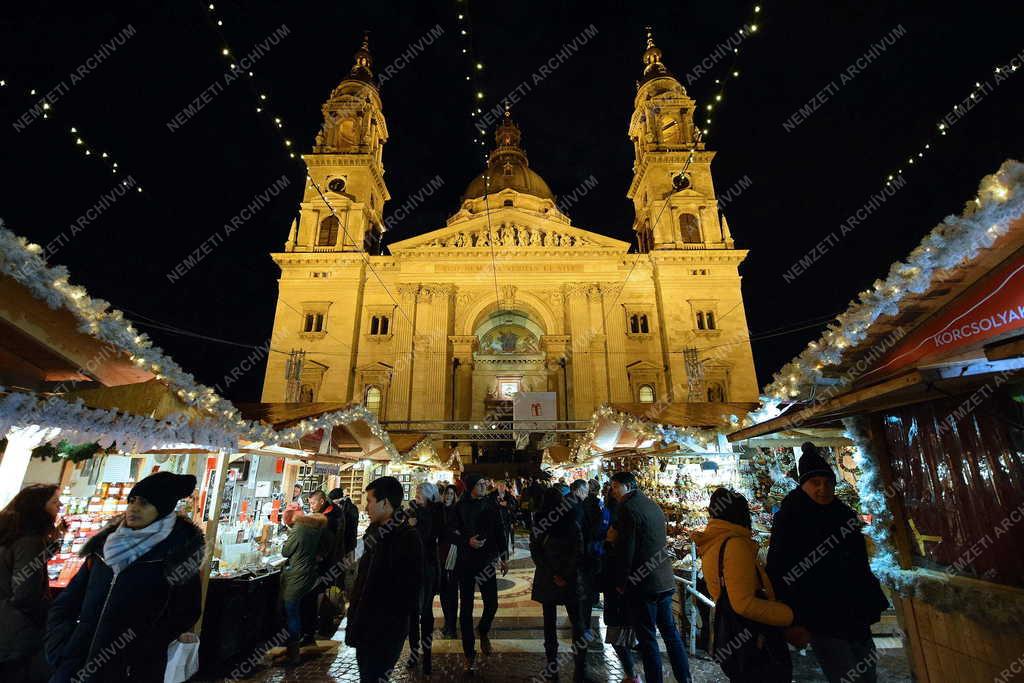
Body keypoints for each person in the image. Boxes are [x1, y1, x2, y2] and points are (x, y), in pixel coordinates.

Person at [45, 472, 203, 682]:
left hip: (131, 670)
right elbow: (67, 601)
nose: (134, 508)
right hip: (76, 663)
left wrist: (143, 648)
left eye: (145, 503)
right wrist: (60, 644)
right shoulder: (103, 547)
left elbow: (186, 612)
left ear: (162, 509)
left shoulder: (177, 554)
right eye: (132, 501)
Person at [767, 444, 888, 683]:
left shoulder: (842, 514)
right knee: (844, 674)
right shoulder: (790, 518)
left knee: (867, 673)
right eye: (815, 483)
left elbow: (859, 562)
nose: (823, 489)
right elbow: (779, 569)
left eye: (827, 482)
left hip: (855, 614)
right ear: (803, 485)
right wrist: (794, 620)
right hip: (820, 616)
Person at [693, 488, 794, 682]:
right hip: (753, 636)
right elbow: (743, 603)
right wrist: (788, 615)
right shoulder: (734, 544)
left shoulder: (714, 540)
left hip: (735, 635)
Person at [609, 471, 691, 683]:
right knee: (671, 635)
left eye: (616, 486)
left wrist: (621, 582)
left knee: (647, 639)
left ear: (628, 486)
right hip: (664, 580)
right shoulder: (652, 504)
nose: (613, 490)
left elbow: (627, 550)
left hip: (644, 584)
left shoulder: (627, 509)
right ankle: (685, 678)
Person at [346, 477, 423, 683]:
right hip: (364, 624)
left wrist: (393, 621)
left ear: (386, 503)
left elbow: (412, 587)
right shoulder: (372, 533)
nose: (366, 506)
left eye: (370, 500)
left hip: (386, 629)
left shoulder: (407, 538)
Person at [0, 484, 61, 682]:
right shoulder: (30, 541)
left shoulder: (9, 532)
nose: (59, 505)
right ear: (38, 507)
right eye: (54, 501)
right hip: (16, 633)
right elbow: (26, 594)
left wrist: (53, 545)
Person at [530, 487, 591, 682]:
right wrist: (565, 574)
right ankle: (580, 668)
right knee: (578, 621)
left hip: (547, 579)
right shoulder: (571, 520)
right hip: (570, 579)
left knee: (549, 623)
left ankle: (551, 667)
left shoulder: (539, 522)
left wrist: (552, 574)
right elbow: (579, 550)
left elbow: (536, 553)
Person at [453, 473, 508, 672]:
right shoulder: (459, 506)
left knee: (492, 604)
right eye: (480, 484)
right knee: (466, 609)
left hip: (486, 562)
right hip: (466, 563)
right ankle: (469, 653)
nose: (484, 486)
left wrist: (504, 556)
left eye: (485, 483)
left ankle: (483, 630)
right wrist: (467, 541)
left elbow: (499, 530)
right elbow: (451, 532)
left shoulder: (490, 505)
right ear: (470, 487)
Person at [279, 505, 330, 663]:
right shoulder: (316, 527)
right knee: (298, 610)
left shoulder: (299, 529)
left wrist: (289, 538)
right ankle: (295, 647)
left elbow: (285, 551)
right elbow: (325, 548)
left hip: (297, 575)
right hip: (310, 574)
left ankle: (293, 654)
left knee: (291, 612)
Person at [602, 486, 639, 683]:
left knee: (619, 634)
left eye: (612, 528)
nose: (609, 530)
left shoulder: (619, 551)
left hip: (619, 592)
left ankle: (632, 675)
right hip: (619, 591)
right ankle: (632, 673)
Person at [406, 482, 443, 675]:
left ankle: (426, 656)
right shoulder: (413, 511)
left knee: (425, 612)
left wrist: (414, 525)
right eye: (416, 493)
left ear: (429, 496)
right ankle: (414, 652)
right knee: (413, 612)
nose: (416, 497)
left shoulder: (434, 513)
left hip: (427, 567)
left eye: (420, 494)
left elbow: (426, 536)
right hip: (414, 567)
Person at [307, 490, 345, 641]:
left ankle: (323, 625)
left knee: (324, 592)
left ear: (322, 501)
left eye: (313, 503)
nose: (311, 506)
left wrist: (318, 557)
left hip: (328, 561)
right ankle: (325, 624)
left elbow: (326, 543)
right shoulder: (335, 513)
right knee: (329, 590)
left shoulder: (330, 518)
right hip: (335, 559)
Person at [438, 484, 461, 638]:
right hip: (440, 550)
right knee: (443, 590)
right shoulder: (439, 510)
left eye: (451, 494)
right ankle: (447, 622)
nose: (448, 496)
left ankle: (452, 624)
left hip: (452, 551)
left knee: (451, 590)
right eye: (447, 493)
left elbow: (458, 531)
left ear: (454, 496)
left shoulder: (456, 511)